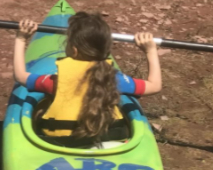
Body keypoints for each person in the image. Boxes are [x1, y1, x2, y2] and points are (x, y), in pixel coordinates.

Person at [13, 12, 162, 147]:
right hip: (109, 138)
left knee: (44, 104)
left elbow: (20, 76)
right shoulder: (114, 79)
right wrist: (150, 50)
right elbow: (154, 85)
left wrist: (21, 39)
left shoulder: (56, 81)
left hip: (61, 141)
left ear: (74, 50)